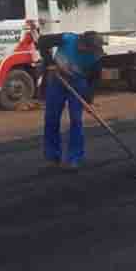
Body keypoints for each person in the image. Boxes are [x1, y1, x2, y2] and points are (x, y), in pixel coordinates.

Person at [38, 30, 103, 170]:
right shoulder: (67, 39)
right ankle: (52, 156)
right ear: (81, 43)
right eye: (88, 49)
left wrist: (88, 100)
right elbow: (42, 41)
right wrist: (50, 63)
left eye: (92, 50)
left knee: (76, 120)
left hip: (78, 82)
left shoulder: (95, 57)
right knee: (51, 118)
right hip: (57, 79)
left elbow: (94, 79)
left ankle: (75, 158)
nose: (89, 52)